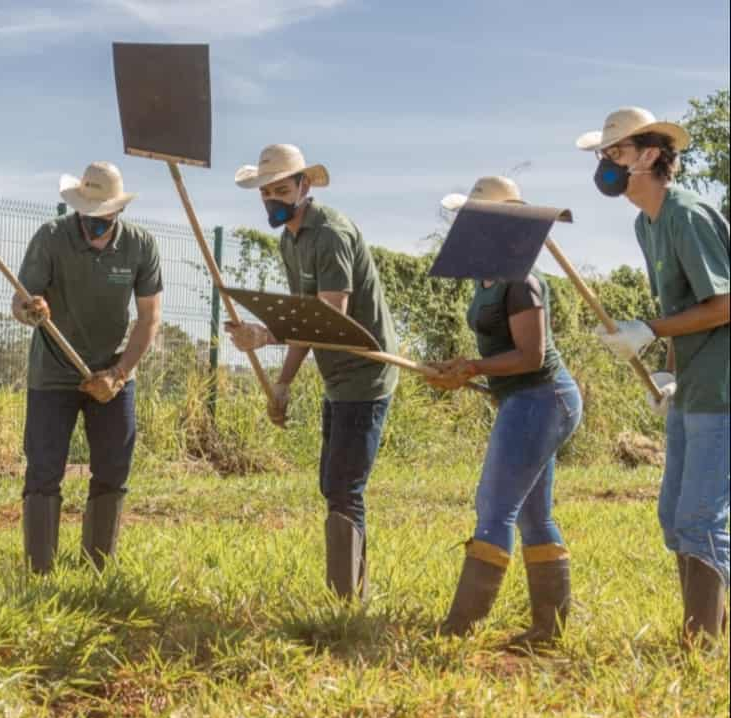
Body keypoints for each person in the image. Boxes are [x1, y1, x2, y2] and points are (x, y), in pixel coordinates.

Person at [577, 107, 730, 647]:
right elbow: (679, 307)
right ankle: (709, 631)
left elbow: (725, 303)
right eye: (603, 156)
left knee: (701, 518)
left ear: (648, 156)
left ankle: (701, 647)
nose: (606, 165)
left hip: (723, 387)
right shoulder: (647, 223)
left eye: (615, 154)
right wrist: (666, 373)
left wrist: (647, 328)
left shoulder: (687, 215)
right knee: (674, 518)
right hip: (691, 382)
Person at [224, 144, 399, 601]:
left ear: (304, 186)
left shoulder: (331, 235)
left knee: (344, 487)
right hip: (334, 372)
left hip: (367, 368)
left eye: (281, 189)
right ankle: (347, 594)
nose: (273, 199)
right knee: (331, 482)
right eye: (265, 192)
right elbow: (304, 320)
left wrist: (263, 335)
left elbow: (328, 317)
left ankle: (347, 603)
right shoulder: (291, 240)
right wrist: (283, 382)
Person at [426, 177, 583, 647]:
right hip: (525, 399)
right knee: (535, 516)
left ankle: (457, 632)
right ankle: (547, 631)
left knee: (494, 508)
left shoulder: (522, 281)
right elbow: (501, 354)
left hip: (543, 397)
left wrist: (472, 365)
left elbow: (531, 356)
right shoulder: (488, 277)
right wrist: (460, 370)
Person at [12, 162, 163, 575]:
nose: (92, 224)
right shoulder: (50, 238)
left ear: (117, 212)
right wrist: (32, 310)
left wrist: (118, 374)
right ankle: (39, 570)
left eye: (101, 218)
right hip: (53, 374)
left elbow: (149, 319)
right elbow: (20, 303)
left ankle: (97, 567)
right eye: (86, 216)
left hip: (112, 373)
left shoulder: (141, 246)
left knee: (114, 468)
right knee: (44, 469)